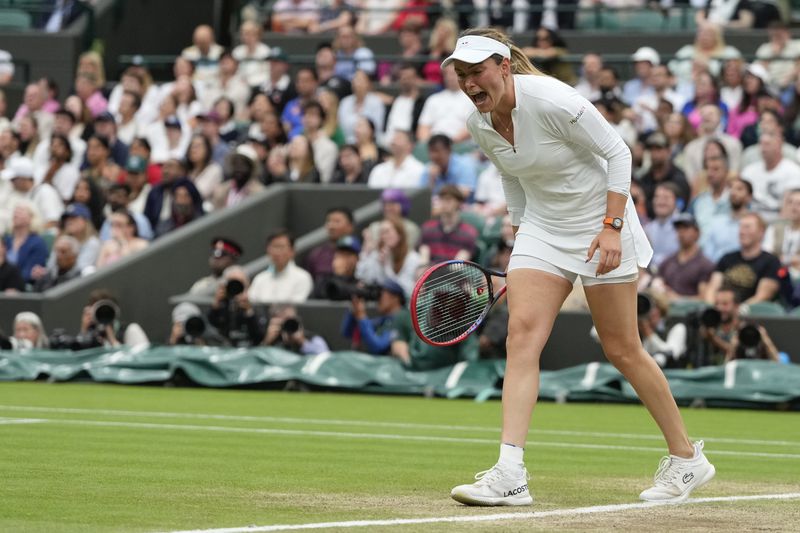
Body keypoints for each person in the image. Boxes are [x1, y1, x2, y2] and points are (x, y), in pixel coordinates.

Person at [442, 28, 714, 507]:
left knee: (622, 348)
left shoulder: (552, 99)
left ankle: (687, 458)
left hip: (600, 225)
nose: (470, 83)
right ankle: (510, 472)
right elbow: (513, 182)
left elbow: (618, 153)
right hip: (543, 229)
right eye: (462, 75)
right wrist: (522, 239)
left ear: (504, 67)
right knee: (522, 338)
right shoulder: (478, 122)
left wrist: (611, 227)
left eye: (478, 72)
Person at [705, 212, 783, 306]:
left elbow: (763, 296)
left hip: (752, 316)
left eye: (747, 227)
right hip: (721, 312)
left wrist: (738, 310)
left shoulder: (771, 261)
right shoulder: (727, 258)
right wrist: (711, 308)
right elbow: (712, 288)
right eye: (741, 227)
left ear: (761, 232)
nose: (742, 232)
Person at [650, 213, 716, 302]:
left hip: (690, 313)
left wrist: (677, 299)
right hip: (665, 309)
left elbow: (703, 299)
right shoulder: (668, 262)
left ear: (697, 233)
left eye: (686, 228)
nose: (681, 232)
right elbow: (657, 282)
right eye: (678, 229)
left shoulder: (705, 264)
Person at [341, 279, 406, 355]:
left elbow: (378, 347)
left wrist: (362, 317)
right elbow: (347, 332)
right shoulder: (384, 320)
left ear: (395, 298)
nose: (378, 299)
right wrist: (353, 309)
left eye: (381, 294)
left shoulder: (402, 318)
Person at [248, 229, 314, 304]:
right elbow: (251, 304)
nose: (277, 252)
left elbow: (296, 307)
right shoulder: (260, 279)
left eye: (281, 247)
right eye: (274, 246)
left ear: (292, 251)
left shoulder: (303, 277)